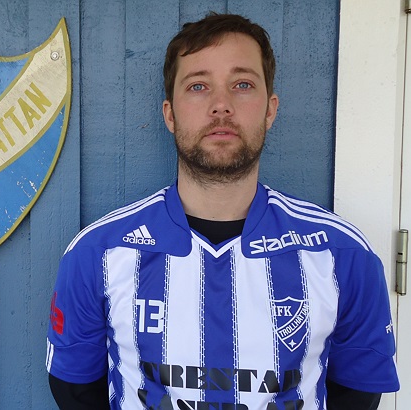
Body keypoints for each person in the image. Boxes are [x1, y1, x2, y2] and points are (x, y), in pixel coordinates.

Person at [45, 12, 400, 410]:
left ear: (270, 110)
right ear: (169, 114)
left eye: (242, 84)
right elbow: (75, 390)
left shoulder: (342, 254)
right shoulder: (98, 253)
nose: (221, 105)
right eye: (198, 86)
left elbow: (359, 391)